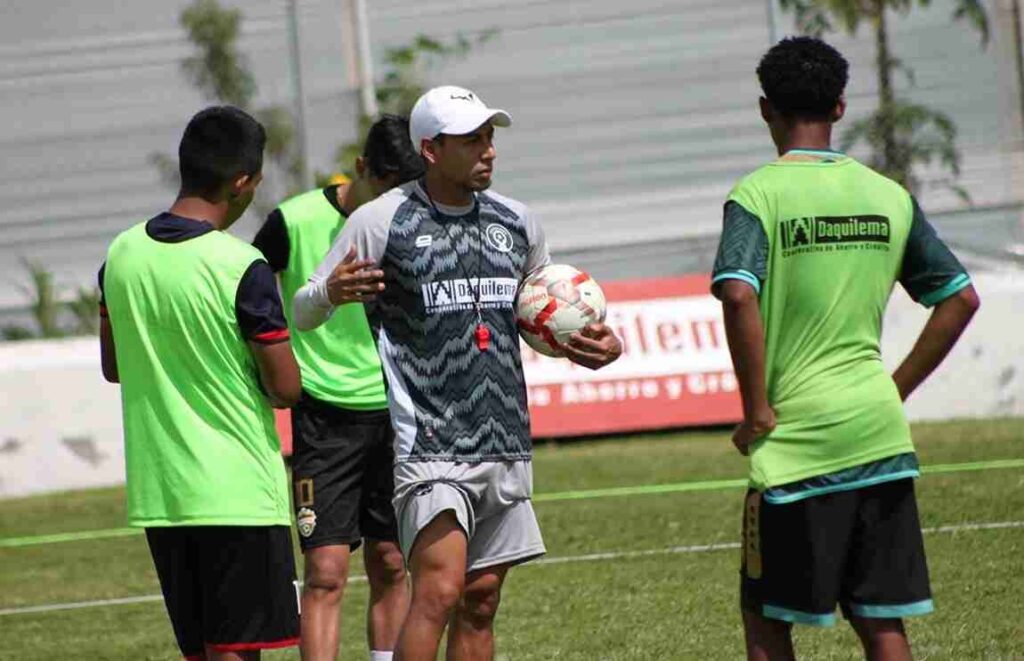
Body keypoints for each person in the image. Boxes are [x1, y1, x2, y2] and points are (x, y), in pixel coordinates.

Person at [292, 86, 623, 660]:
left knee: (481, 598)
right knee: (439, 591)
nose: (488, 150)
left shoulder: (518, 221)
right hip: (430, 443)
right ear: (430, 149)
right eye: (472, 139)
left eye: (490, 137)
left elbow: (538, 313)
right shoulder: (381, 221)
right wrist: (331, 291)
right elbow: (302, 305)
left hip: (505, 438)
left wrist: (585, 344)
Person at [711, 37, 980, 661]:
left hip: (799, 446)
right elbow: (959, 299)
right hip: (879, 434)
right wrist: (893, 389)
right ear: (839, 107)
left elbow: (737, 295)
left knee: (766, 622)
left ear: (764, 110)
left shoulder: (757, 196)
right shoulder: (888, 196)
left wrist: (756, 412)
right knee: (881, 620)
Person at [99, 106, 302, 661]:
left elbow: (115, 366)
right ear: (241, 183)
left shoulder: (119, 255)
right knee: (236, 649)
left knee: (202, 650)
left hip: (162, 492)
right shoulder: (241, 264)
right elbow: (286, 387)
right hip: (236, 491)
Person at [252, 115, 425, 661]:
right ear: (361, 168)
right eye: (385, 185)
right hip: (325, 419)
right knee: (325, 573)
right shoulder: (293, 220)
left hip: (398, 413)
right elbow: (249, 291)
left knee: (393, 564)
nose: (392, 202)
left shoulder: (417, 221)